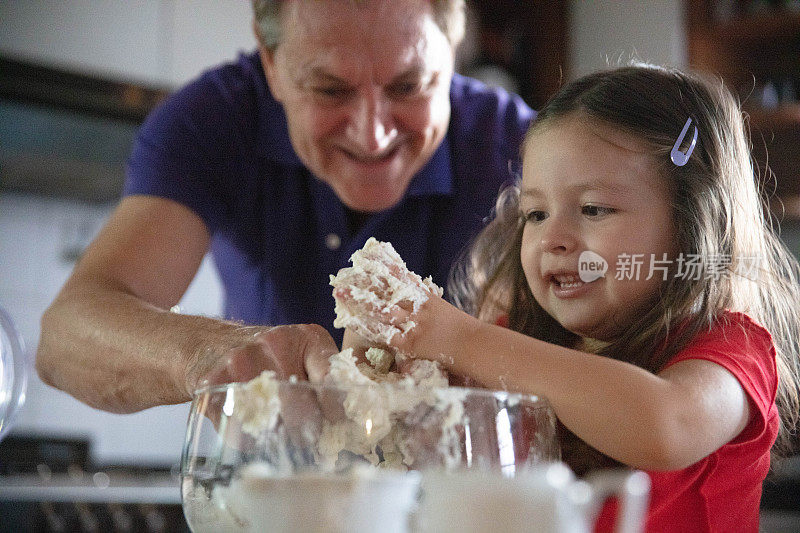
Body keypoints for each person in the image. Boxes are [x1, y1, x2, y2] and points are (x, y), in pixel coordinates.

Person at [334, 64, 800, 531]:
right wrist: (375, 369)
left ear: (690, 223)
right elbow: (408, 450)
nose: (552, 237)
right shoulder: (509, 343)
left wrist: (455, 336)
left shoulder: (732, 350)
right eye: (535, 213)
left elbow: (665, 425)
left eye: (594, 209)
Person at [35, 0, 534, 413]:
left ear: (452, 50)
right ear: (271, 64)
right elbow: (65, 338)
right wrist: (211, 355)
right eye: (330, 89)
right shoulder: (213, 119)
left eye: (409, 86)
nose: (372, 134)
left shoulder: (525, 150)